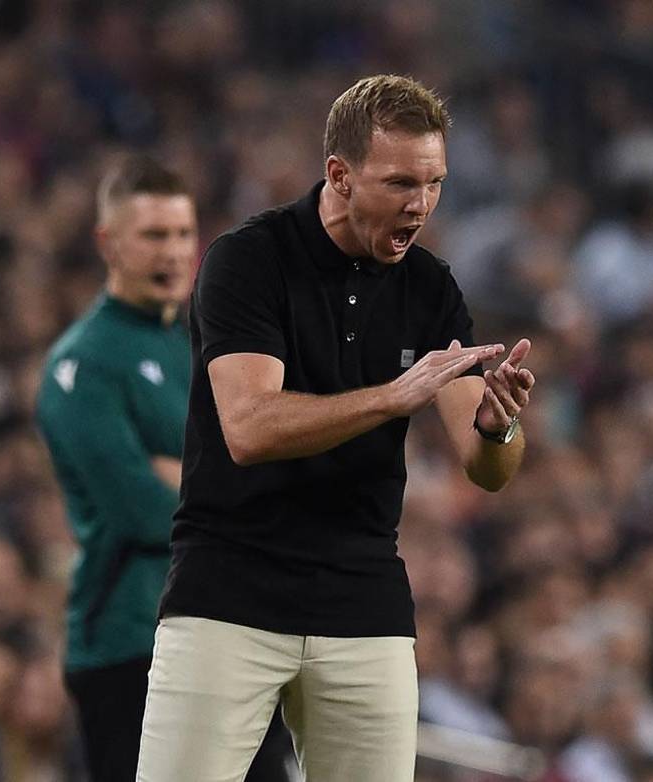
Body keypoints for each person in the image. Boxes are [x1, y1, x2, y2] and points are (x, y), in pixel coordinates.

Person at [137, 75, 537, 782]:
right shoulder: (249, 260)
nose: (420, 204)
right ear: (340, 175)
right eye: (400, 182)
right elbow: (249, 427)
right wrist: (390, 398)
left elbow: (487, 470)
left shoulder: (430, 288)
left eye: (434, 183)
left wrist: (497, 426)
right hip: (229, 595)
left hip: (363, 603)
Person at [36, 156, 289, 782]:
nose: (173, 252)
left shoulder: (210, 344)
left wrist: (183, 473)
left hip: (235, 634)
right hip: (132, 642)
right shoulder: (82, 365)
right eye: (153, 235)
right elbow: (143, 511)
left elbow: (282, 476)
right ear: (108, 243)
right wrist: (231, 481)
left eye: (182, 234)